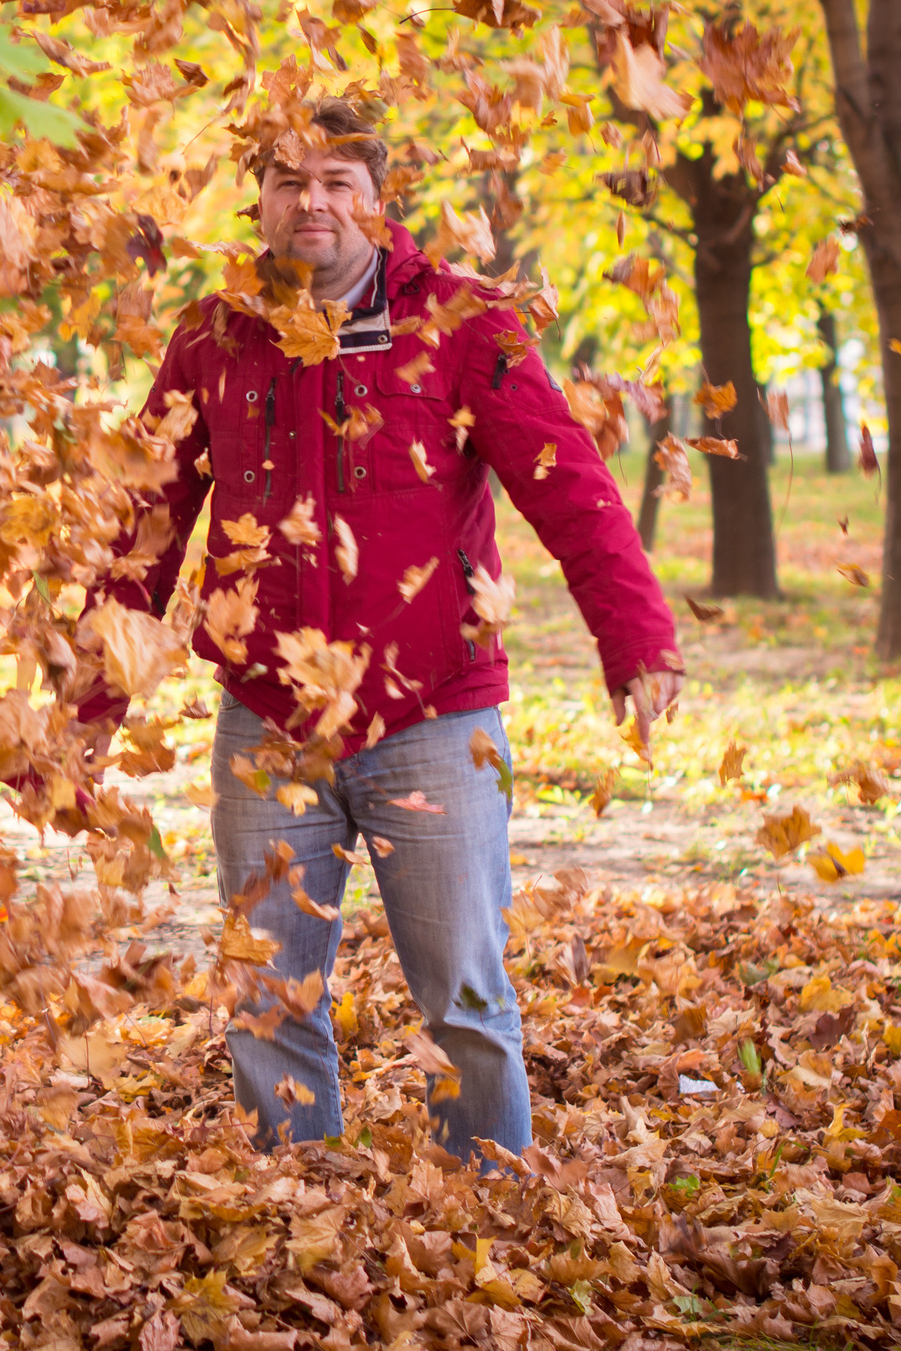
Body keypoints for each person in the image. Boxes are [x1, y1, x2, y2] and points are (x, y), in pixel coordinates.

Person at [75, 100, 683, 1162]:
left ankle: (486, 1196)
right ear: (257, 203)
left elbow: (567, 484)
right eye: (286, 181)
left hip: (433, 715)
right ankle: (297, 1202)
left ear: (376, 200)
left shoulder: (461, 322)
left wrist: (634, 637)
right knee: (268, 991)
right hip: (267, 722)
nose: (312, 201)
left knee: (461, 991)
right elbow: (147, 524)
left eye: (336, 181)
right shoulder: (214, 336)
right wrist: (89, 705)